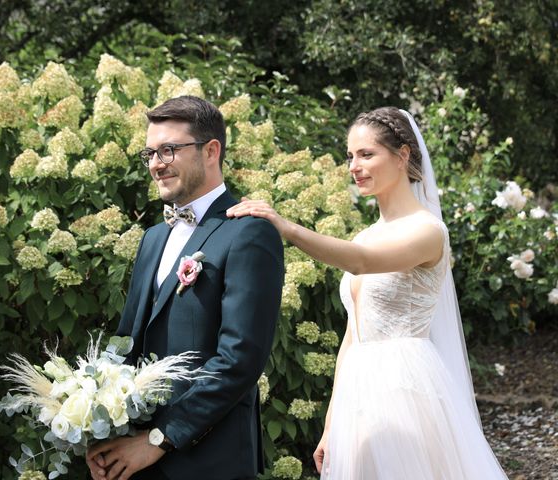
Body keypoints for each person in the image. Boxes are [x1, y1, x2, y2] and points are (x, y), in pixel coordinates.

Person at [227, 107, 508, 479]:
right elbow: (352, 337)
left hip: (405, 388)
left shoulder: (427, 230)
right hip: (358, 395)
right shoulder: (366, 234)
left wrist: (287, 228)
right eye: (350, 156)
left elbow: (361, 262)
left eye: (366, 154)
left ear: (402, 155)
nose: (353, 166)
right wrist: (331, 425)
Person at [86, 95, 284, 480]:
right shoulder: (153, 238)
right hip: (133, 458)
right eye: (150, 153)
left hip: (208, 459)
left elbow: (239, 360)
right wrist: (96, 422)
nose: (156, 164)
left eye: (169, 150)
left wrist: (160, 439)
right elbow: (128, 342)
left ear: (211, 151)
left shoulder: (248, 233)